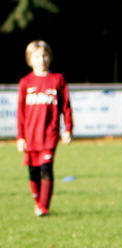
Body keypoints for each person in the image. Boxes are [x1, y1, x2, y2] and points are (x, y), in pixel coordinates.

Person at [16, 40, 73, 217]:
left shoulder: (58, 79)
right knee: (33, 170)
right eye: (37, 57)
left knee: (46, 167)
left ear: (50, 57)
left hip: (49, 133)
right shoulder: (26, 82)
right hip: (31, 135)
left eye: (45, 56)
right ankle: (37, 202)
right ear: (29, 60)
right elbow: (21, 112)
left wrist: (68, 128)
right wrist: (20, 137)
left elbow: (66, 106)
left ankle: (43, 207)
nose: (42, 60)